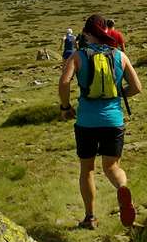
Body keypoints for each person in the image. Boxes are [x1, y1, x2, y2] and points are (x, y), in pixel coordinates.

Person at [58, 14, 142, 229]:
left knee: (87, 169)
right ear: (105, 31)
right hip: (113, 119)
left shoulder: (78, 55)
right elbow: (137, 88)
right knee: (112, 166)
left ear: (87, 33)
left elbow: (64, 82)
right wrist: (118, 93)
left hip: (86, 121)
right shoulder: (120, 55)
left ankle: (90, 217)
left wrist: (66, 107)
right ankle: (122, 187)